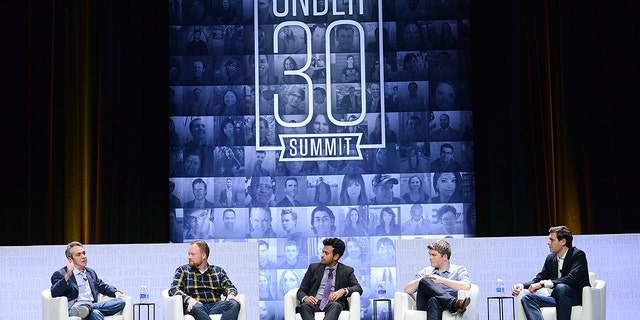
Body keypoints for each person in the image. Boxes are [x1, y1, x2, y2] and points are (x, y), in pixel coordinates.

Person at [512, 226, 591, 320]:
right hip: (556, 297)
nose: (548, 242)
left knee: (561, 287)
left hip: (574, 298)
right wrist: (522, 285)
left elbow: (571, 279)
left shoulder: (578, 255)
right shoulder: (551, 258)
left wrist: (543, 284)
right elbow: (539, 278)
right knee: (527, 298)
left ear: (563, 242)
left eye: (552, 240)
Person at [50, 241, 126, 319]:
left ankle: (88, 309)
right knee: (94, 313)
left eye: (84, 253)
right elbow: (54, 293)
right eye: (78, 255)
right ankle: (86, 310)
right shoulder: (61, 274)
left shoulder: (90, 272)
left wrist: (115, 292)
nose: (83, 257)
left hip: (92, 304)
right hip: (76, 306)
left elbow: (102, 286)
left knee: (120, 302)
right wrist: (67, 276)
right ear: (70, 259)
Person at [168, 240, 241, 320]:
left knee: (234, 304)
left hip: (215, 306)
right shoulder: (183, 270)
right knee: (197, 307)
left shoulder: (218, 271)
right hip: (195, 306)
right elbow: (173, 289)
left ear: (203, 256)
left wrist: (230, 294)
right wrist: (189, 299)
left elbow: (230, 287)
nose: (189, 257)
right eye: (189, 254)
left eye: (192, 254)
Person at [296, 238, 363, 320]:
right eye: (322, 252)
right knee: (304, 306)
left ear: (336, 256)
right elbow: (301, 291)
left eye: (326, 253)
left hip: (332, 304)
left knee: (336, 305)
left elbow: (358, 288)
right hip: (314, 302)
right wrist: (306, 298)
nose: (322, 255)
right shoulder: (313, 268)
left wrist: (343, 291)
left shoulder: (347, 270)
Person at [403, 240, 471, 320]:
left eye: (433, 255)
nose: (430, 258)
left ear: (445, 256)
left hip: (440, 305)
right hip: (425, 304)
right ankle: (454, 304)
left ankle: (451, 303)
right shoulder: (426, 271)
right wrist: (424, 279)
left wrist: (442, 280)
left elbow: (466, 287)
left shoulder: (459, 270)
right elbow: (407, 289)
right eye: (430, 255)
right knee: (424, 280)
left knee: (434, 300)